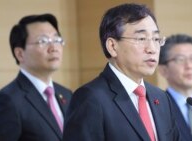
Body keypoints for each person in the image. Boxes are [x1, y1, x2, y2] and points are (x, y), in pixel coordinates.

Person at [63, 3, 180, 141]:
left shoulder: (161, 98)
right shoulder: (90, 99)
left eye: (156, 39)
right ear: (112, 46)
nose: (152, 49)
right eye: (141, 39)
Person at [0, 13, 72, 141]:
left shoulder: (66, 94)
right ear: (20, 54)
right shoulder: (7, 100)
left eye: (57, 40)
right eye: (43, 41)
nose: (54, 48)